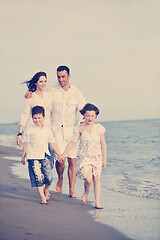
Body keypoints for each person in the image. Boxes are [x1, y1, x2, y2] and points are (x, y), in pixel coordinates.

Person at [25, 66, 86, 198]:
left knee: (72, 160)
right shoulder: (52, 91)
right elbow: (41, 99)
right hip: (57, 130)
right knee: (60, 160)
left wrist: (81, 123)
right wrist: (30, 94)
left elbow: (83, 110)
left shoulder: (76, 92)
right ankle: (60, 178)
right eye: (58, 76)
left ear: (69, 76)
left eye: (63, 76)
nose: (61, 79)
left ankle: (71, 190)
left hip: (72, 131)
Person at [58, 103, 107, 209]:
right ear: (84, 115)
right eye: (88, 115)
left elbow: (103, 143)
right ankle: (86, 192)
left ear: (96, 116)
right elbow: (72, 142)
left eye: (92, 116)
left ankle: (97, 202)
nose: (90, 118)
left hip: (97, 158)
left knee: (96, 179)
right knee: (88, 179)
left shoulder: (99, 128)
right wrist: (63, 154)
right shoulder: (80, 128)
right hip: (85, 158)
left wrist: (105, 159)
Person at [21, 106, 62, 204]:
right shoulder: (29, 130)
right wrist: (23, 156)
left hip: (45, 155)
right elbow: (26, 143)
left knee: (49, 177)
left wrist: (59, 155)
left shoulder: (47, 130)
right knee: (38, 177)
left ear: (44, 117)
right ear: (32, 118)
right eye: (35, 118)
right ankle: (43, 198)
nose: (37, 120)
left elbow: (52, 143)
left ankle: (46, 190)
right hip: (33, 156)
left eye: (39, 118)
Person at [17, 71, 52, 147]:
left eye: (45, 81)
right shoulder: (30, 97)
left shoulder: (49, 96)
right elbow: (25, 115)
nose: (43, 84)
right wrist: (20, 133)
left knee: (48, 157)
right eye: (41, 81)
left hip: (47, 130)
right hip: (33, 131)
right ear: (36, 83)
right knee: (33, 156)